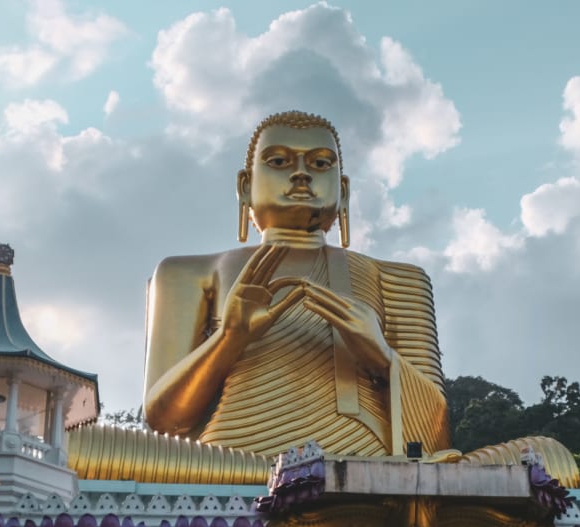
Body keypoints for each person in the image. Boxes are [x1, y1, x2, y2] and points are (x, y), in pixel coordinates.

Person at [142, 111, 450, 458]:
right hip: (230, 466)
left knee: (524, 449)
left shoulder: (398, 279)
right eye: (278, 161)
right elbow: (163, 423)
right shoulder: (187, 273)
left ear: (343, 190)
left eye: (320, 163)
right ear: (245, 185)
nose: (301, 173)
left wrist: (381, 356)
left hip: (362, 467)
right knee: (79, 446)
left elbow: (436, 436)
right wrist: (230, 338)